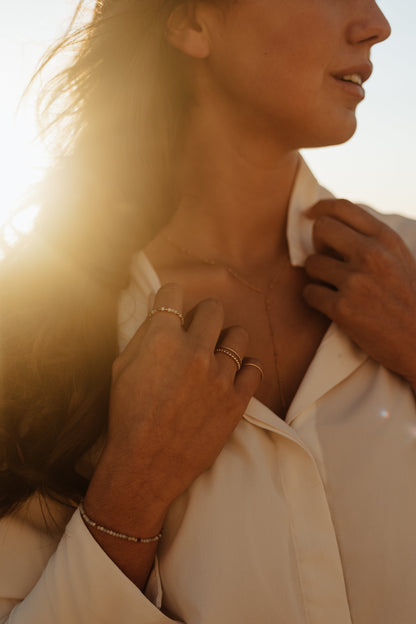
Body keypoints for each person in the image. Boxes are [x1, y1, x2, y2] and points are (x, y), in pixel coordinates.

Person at [1, 0, 415, 622]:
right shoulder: (31, 332)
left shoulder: (408, 270)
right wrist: (129, 495)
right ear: (191, 22)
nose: (378, 24)